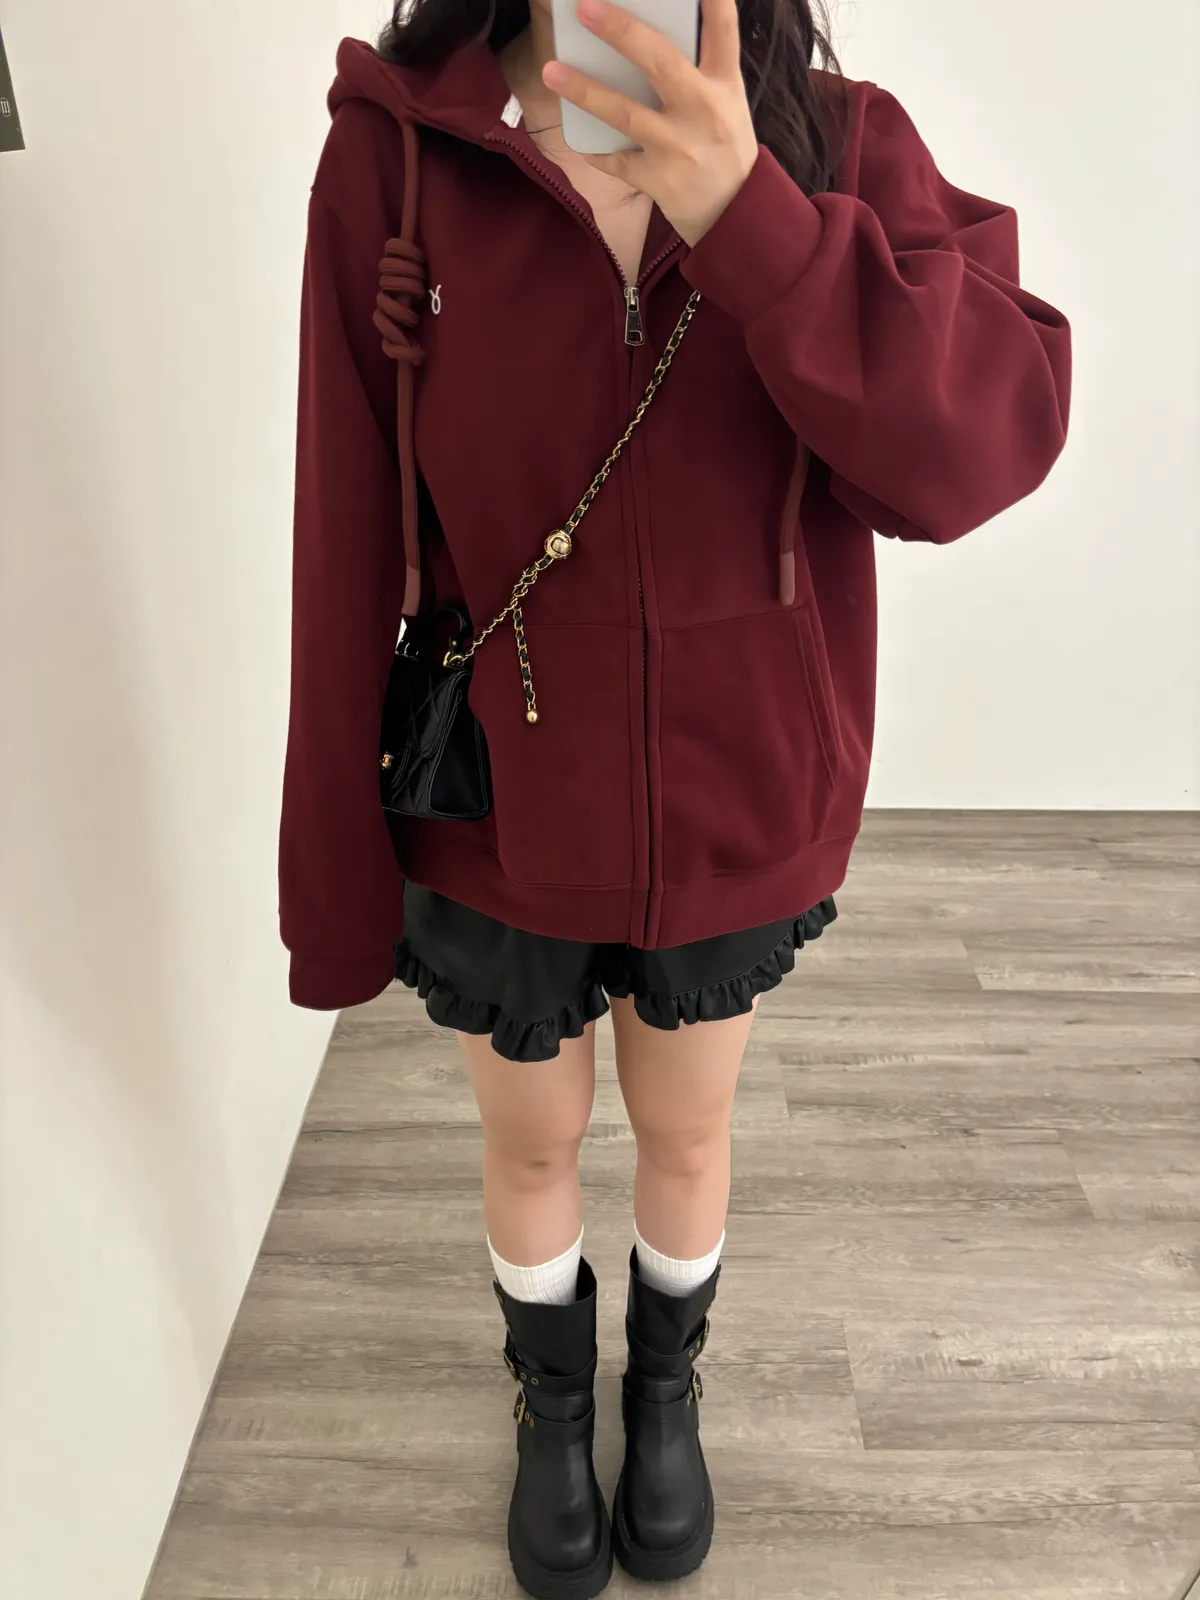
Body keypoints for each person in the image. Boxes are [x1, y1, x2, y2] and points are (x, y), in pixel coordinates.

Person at [277, 0, 1071, 1593]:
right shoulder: (400, 153)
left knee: (688, 1133)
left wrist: (752, 219)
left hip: (736, 797)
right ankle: (552, 1404)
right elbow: (344, 521)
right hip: (496, 799)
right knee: (530, 1147)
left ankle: (663, 1392)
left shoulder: (838, 144)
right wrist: (333, 883)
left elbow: (990, 438)